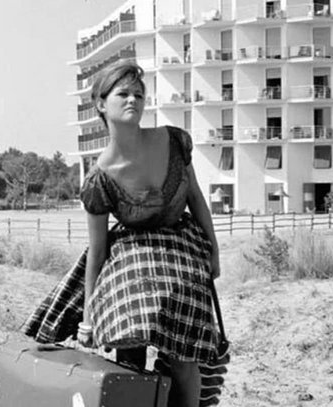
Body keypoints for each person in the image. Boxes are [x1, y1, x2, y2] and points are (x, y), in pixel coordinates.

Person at [75, 60, 220, 407]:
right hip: (132, 255)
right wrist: (87, 317)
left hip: (181, 248)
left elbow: (196, 197)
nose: (133, 100)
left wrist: (214, 249)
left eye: (139, 95)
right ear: (100, 104)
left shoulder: (173, 141)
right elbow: (97, 251)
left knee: (184, 354)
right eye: (123, 94)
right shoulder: (99, 180)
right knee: (129, 342)